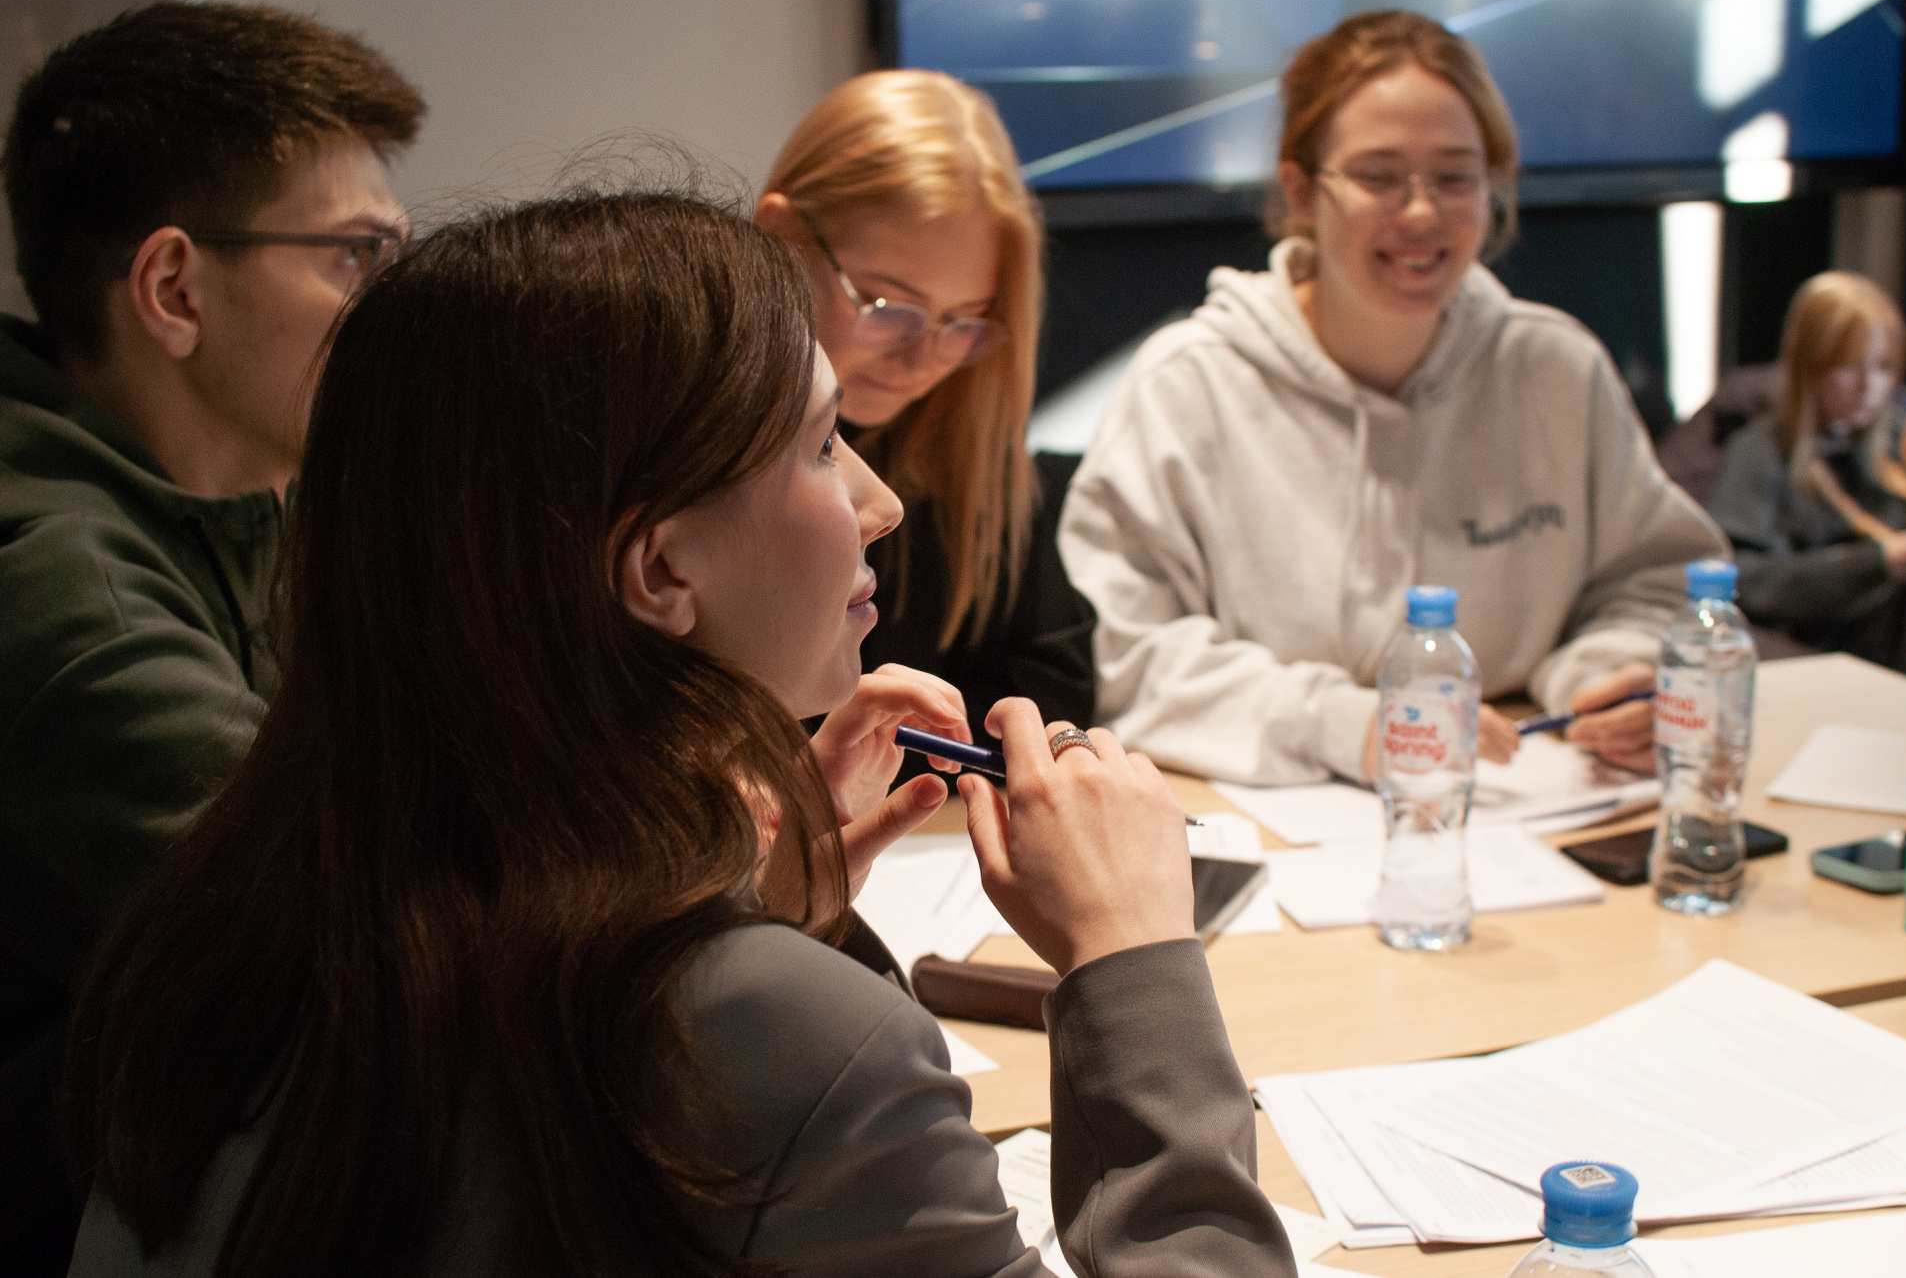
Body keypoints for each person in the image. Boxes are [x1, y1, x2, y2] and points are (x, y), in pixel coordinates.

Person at [61, 190, 1294, 1278]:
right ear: (658, 570)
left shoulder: (225, 914)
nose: (879, 501)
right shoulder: (753, 1033)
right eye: (822, 445)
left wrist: (762, 921)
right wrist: (1133, 960)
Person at [0, 4, 423, 1270]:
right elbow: (358, 945)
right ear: (174, 289)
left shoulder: (248, 501)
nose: (397, 310)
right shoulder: (62, 588)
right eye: (356, 256)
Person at [1058, 10, 1726, 787]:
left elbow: (1658, 585)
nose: (1421, 213)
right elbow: (1128, 651)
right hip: (1266, 814)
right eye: (1378, 176)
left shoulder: (1556, 370)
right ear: (1300, 190)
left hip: (1520, 796)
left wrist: (1614, 676)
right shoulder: (1187, 384)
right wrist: (1347, 726)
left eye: (1455, 177)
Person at [755, 70, 1095, 769]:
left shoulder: (971, 450)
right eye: (889, 309)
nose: (921, 361)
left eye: (963, 323)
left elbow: (1053, 687)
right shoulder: (695, 451)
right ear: (780, 233)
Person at [1707, 271, 1906, 672]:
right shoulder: (1761, 450)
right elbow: (1740, 578)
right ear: (1810, 365)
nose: (1868, 387)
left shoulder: (1901, 436)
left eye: (1883, 367)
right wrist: (1878, 562)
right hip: (1807, 658)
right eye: (1848, 367)